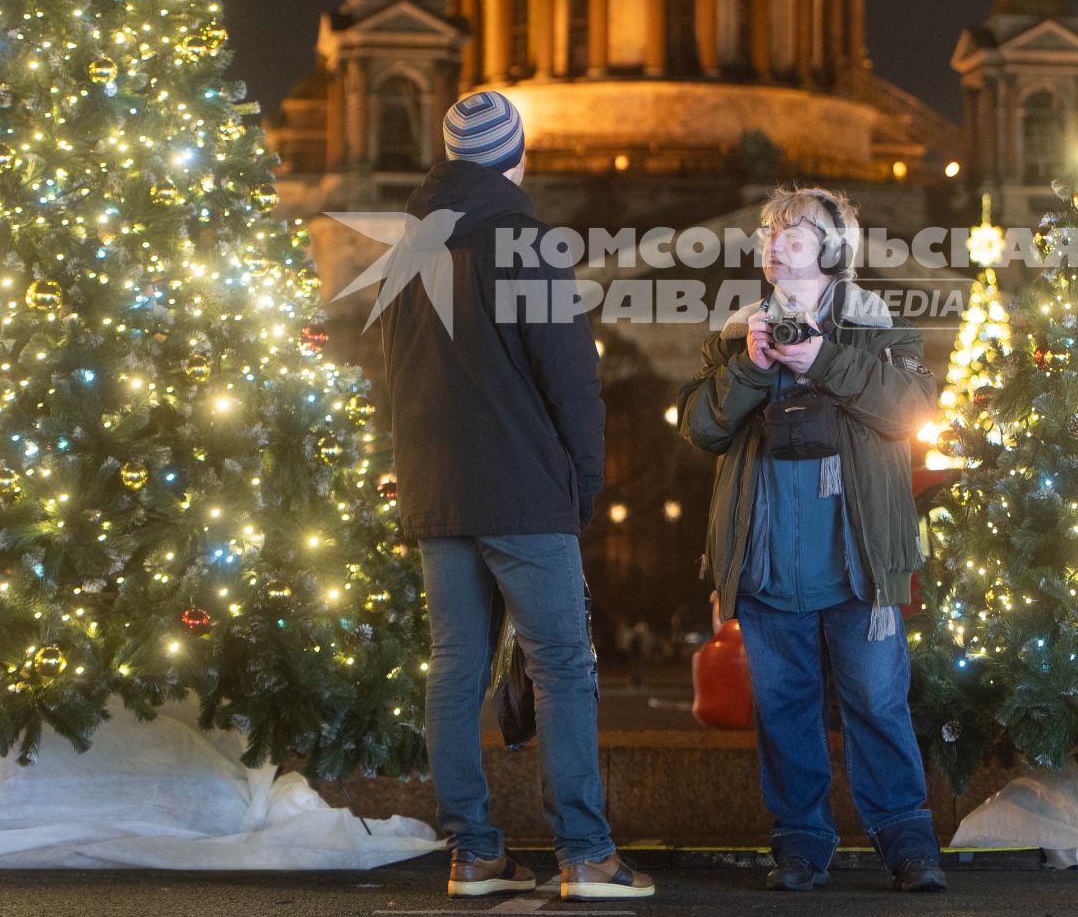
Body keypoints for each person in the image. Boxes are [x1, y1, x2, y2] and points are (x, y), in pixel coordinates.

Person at [376, 90, 653, 902]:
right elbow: (571, 376)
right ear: (516, 156)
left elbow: (400, 380)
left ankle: (474, 852)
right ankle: (587, 852)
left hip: (438, 488)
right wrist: (584, 483)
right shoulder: (525, 238)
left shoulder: (409, 245)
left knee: (455, 668)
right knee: (564, 665)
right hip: (522, 489)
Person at [675, 185, 946, 894]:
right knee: (786, 708)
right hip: (767, 560)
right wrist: (751, 369)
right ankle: (799, 843)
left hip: (858, 560)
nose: (775, 242)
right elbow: (698, 427)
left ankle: (908, 843)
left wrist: (822, 359)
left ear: (832, 249)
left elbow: (911, 409)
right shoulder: (738, 334)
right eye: (769, 232)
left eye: (794, 232)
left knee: (876, 702)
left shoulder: (879, 327)